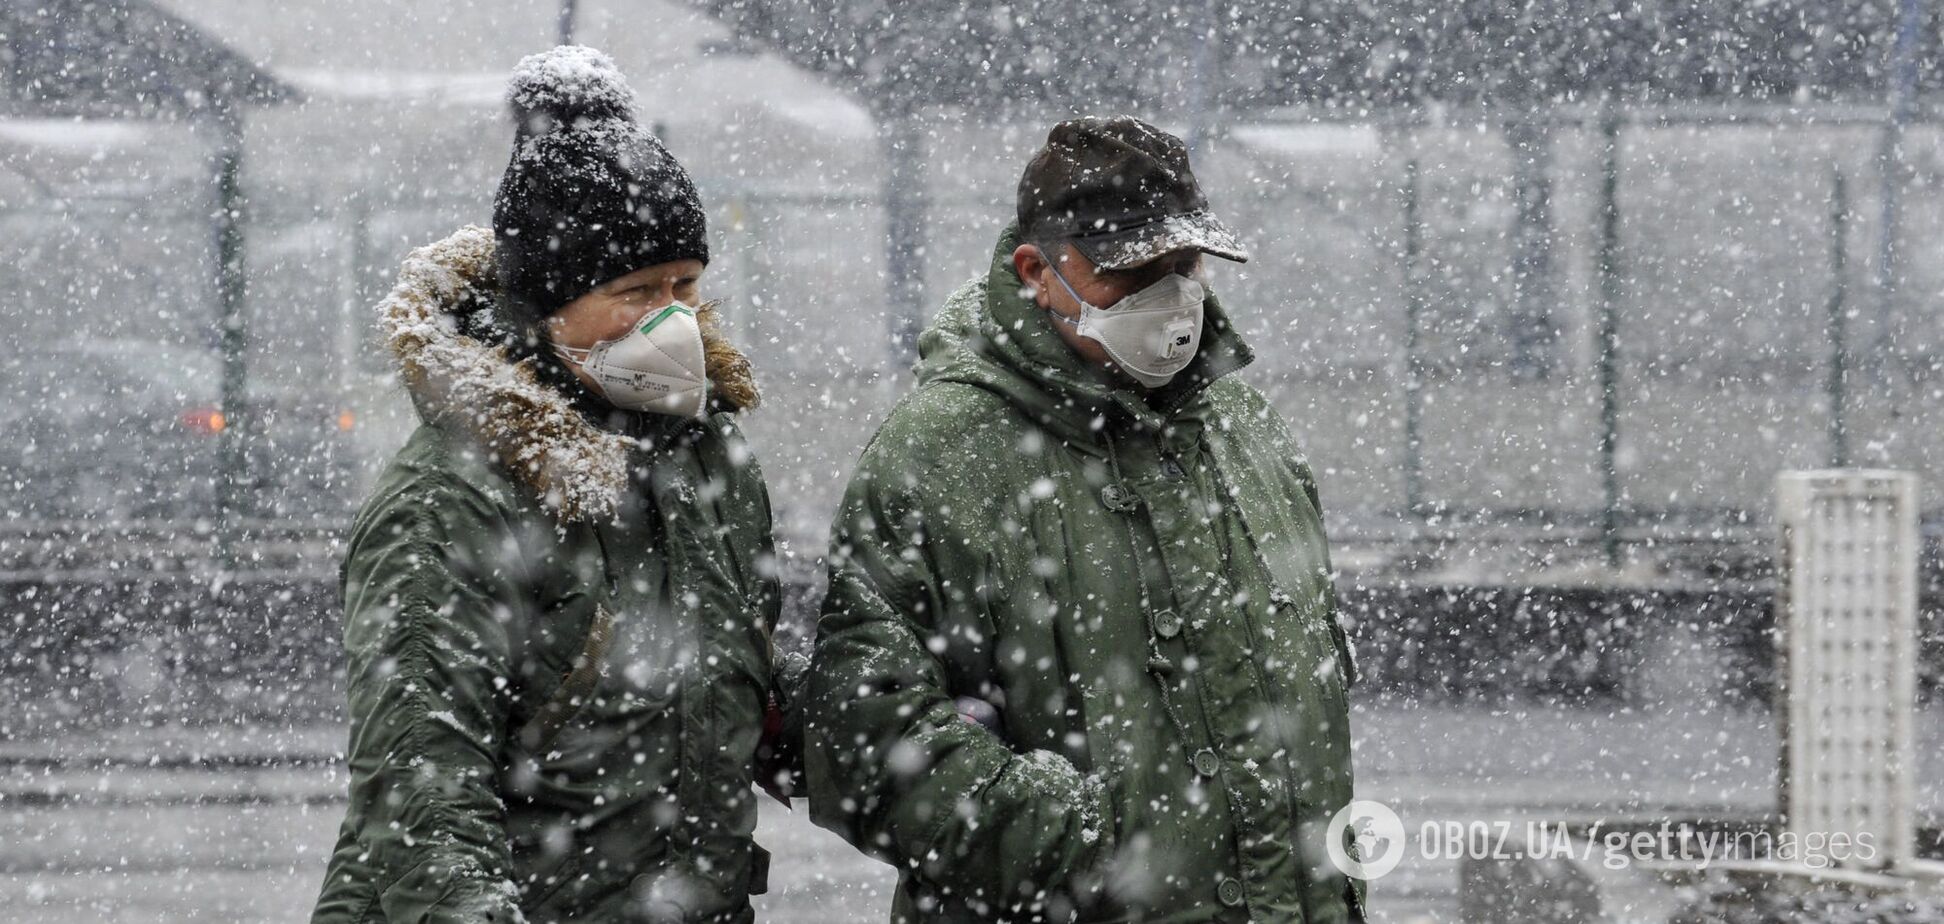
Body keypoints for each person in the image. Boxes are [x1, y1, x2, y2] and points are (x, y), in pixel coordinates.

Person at [805, 116, 1365, 922]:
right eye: (1131, 272)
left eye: (1184, 264)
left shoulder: (1247, 431)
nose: (1172, 296)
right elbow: (862, 735)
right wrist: (1087, 849)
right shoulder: (941, 455)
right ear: (1037, 269)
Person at [310, 46, 795, 924]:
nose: (673, 318)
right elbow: (423, 786)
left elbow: (745, 677)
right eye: (636, 290)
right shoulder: (448, 503)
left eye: (687, 286)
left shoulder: (702, 458)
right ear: (543, 305)